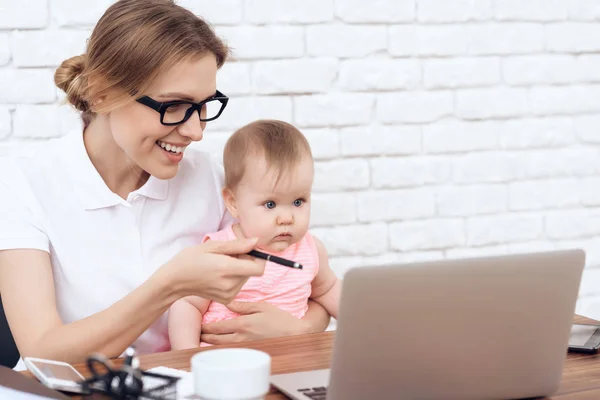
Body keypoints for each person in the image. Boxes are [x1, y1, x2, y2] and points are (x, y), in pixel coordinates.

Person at [0, 0, 330, 367]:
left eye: (205, 105)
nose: (195, 131)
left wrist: (302, 330)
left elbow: (301, 282)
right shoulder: (21, 185)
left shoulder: (209, 180)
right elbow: (42, 350)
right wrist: (169, 286)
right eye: (174, 105)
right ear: (101, 92)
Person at [168, 120, 341, 350]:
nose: (286, 217)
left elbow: (328, 290)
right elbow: (187, 303)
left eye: (298, 201)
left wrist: (373, 327)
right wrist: (187, 358)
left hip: (292, 362)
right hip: (225, 363)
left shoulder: (310, 250)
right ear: (234, 203)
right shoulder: (222, 251)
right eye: (270, 204)